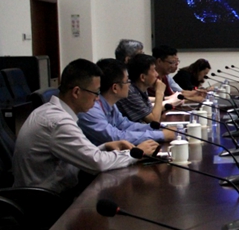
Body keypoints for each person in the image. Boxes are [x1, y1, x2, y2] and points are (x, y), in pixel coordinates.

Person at [12, 59, 158, 197]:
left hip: (52, 190)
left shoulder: (50, 111)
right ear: (76, 92)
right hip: (46, 200)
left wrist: (105, 147)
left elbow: (81, 155)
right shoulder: (58, 122)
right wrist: (135, 154)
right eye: (96, 93)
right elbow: (96, 163)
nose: (97, 99)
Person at [78, 59, 176, 145]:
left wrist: (161, 128)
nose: (130, 84)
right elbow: (116, 136)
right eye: (127, 81)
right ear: (115, 88)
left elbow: (125, 125)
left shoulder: (110, 104)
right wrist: (161, 135)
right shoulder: (91, 109)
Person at [117, 53, 177, 123]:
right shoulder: (130, 91)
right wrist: (159, 92)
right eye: (154, 70)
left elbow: (150, 111)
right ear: (143, 77)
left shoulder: (141, 89)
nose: (157, 74)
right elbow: (154, 121)